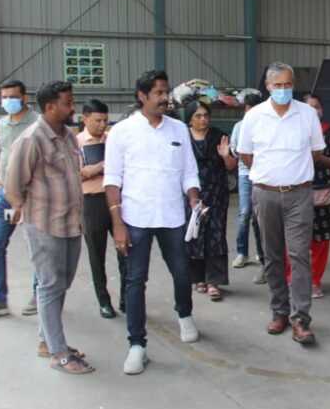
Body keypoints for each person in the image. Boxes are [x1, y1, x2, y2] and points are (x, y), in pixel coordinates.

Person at [104, 70, 202, 376]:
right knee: (135, 281)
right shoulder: (122, 131)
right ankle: (137, 345)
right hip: (136, 217)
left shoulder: (178, 130)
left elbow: (189, 171)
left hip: (173, 216)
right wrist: (118, 224)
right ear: (142, 96)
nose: (164, 98)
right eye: (158, 93)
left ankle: (184, 314)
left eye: (166, 92)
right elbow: (112, 180)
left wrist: (194, 197)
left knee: (183, 272)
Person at [3, 81, 92, 374]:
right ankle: (59, 353)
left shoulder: (67, 136)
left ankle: (46, 341)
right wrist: (28, 216)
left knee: (61, 283)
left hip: (70, 224)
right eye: (68, 102)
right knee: (50, 285)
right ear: (51, 106)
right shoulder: (31, 140)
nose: (73, 107)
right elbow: (13, 187)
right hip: (44, 226)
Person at [236, 62, 324, 344]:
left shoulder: (307, 114)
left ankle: (301, 318)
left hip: (299, 194)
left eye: (288, 85)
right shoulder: (254, 117)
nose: (284, 90)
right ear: (268, 86)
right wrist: (268, 175)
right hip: (265, 193)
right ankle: (279, 312)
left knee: (299, 255)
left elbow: (314, 150)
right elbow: (246, 155)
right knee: (272, 256)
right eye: (278, 85)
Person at [0, 79, 40, 321]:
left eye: (12, 97)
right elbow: (4, 155)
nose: (7, 102)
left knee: (36, 248)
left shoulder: (37, 123)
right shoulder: (2, 124)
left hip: (29, 194)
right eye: (4, 98)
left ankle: (38, 293)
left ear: (24, 98)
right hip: (3, 194)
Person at [284, 93, 330, 298]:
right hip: (293, 191)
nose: (313, 111)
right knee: (293, 238)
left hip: (321, 193)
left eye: (317, 107)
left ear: (322, 110)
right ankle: (291, 278)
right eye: (309, 107)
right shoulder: (290, 130)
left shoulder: (329, 132)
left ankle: (316, 280)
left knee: (319, 239)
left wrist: (318, 157)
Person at [77, 98, 126, 319]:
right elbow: (74, 174)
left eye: (105, 120)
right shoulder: (75, 143)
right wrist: (97, 168)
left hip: (117, 198)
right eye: (97, 121)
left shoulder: (114, 139)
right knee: (96, 254)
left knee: (125, 249)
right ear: (84, 119)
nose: (102, 125)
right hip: (92, 201)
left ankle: (127, 297)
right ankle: (103, 300)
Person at [184, 100, 236, 301]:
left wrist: (225, 156)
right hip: (192, 193)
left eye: (206, 115)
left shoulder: (218, 136)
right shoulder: (184, 137)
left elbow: (231, 166)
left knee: (215, 234)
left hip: (216, 193)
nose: (203, 119)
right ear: (190, 118)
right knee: (194, 234)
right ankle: (198, 278)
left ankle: (214, 280)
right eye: (198, 116)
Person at [230, 94, 266, 284]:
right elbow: (236, 150)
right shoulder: (239, 126)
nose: (250, 112)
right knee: (245, 213)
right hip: (246, 175)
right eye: (248, 108)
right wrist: (247, 156)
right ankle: (242, 252)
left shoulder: (265, 125)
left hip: (263, 176)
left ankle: (262, 254)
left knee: (261, 218)